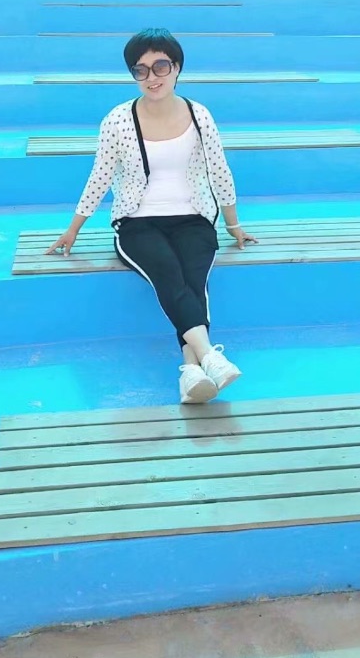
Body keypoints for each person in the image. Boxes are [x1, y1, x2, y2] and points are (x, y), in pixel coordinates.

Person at [46, 28, 257, 404]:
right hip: (136, 222)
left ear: (177, 68)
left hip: (193, 217)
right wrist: (73, 229)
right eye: (140, 70)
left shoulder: (199, 115)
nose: (152, 77)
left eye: (161, 66)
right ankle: (210, 356)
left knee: (193, 279)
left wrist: (233, 224)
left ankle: (191, 372)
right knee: (167, 272)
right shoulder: (118, 120)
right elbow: (100, 176)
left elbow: (220, 171)